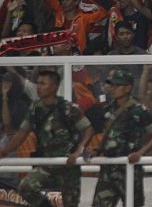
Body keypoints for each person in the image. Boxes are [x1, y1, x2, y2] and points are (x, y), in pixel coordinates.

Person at [0, 70, 92, 207]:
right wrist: (5, 151)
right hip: (46, 164)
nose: (38, 87)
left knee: (70, 203)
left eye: (43, 84)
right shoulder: (35, 109)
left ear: (54, 86)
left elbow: (89, 129)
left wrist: (80, 149)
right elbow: (21, 134)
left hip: (68, 166)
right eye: (38, 83)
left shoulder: (68, 108)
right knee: (26, 187)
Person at [94, 68, 152, 207]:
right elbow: (107, 133)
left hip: (129, 167)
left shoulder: (138, 110)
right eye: (112, 85)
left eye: (117, 85)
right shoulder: (108, 108)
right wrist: (98, 149)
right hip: (108, 167)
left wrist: (140, 153)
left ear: (128, 88)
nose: (113, 89)